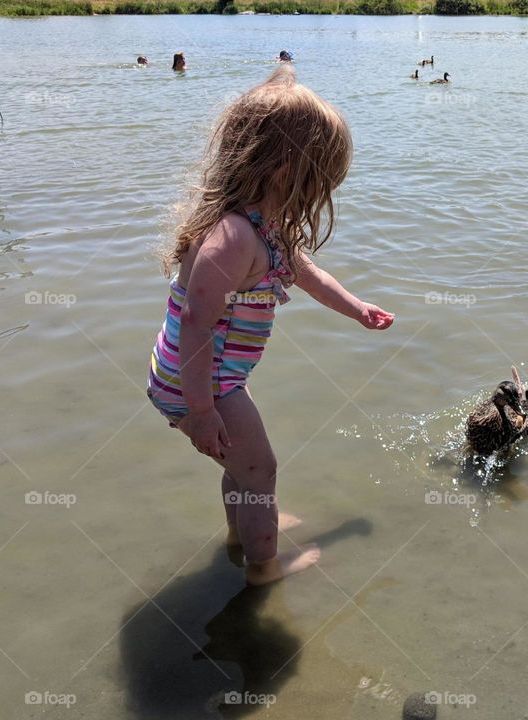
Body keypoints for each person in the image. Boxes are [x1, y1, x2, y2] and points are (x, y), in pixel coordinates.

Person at [147, 65, 394, 585]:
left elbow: (308, 274)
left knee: (245, 467)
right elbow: (194, 322)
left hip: (213, 380)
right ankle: (264, 568)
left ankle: (242, 534)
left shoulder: (267, 226)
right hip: (199, 382)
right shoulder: (234, 237)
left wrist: (357, 308)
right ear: (286, 170)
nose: (320, 191)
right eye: (319, 177)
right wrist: (201, 408)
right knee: (262, 471)